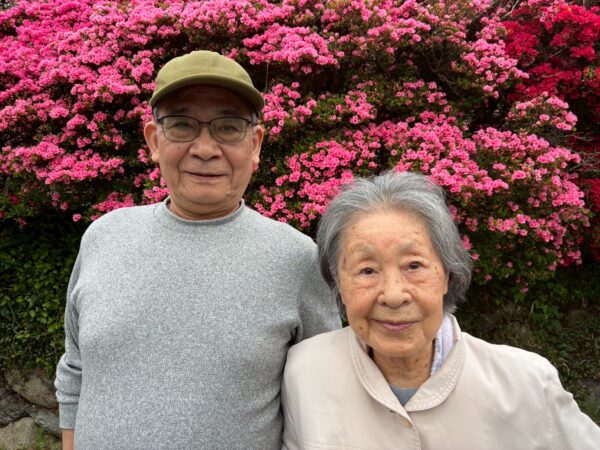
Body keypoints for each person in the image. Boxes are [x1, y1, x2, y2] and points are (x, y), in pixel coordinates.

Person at [54, 50, 340, 450]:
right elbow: (76, 370)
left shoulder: (297, 258)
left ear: (255, 144)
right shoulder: (104, 237)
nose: (205, 148)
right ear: (154, 140)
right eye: (182, 125)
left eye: (228, 127)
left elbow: (327, 394)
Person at [281, 171, 600, 449]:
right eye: (367, 270)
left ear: (447, 273)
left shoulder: (526, 384)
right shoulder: (304, 373)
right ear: (337, 282)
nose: (393, 295)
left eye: (414, 265)